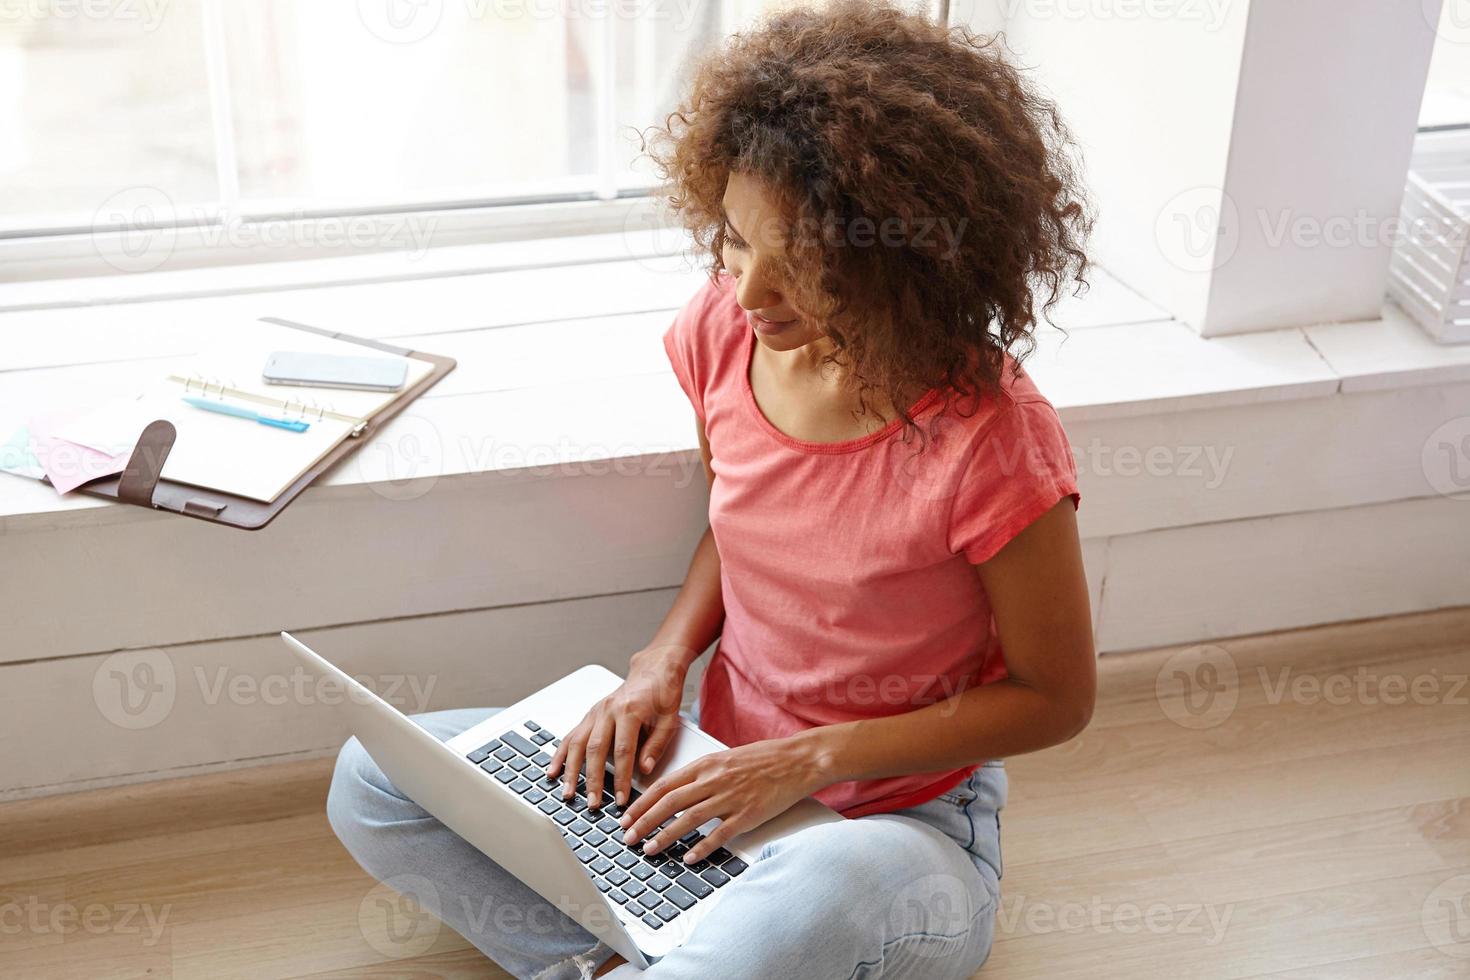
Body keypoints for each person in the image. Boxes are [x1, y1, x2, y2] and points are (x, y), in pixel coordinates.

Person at [327, 1, 1097, 976]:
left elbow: (1055, 698)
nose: (748, 293)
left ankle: (675, 948)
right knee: (377, 778)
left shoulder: (994, 437)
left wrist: (807, 760)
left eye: (801, 264)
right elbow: (736, 529)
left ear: (902, 259)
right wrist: (658, 664)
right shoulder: (725, 337)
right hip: (706, 775)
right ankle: (645, 956)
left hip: (893, 826)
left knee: (814, 900)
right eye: (735, 240)